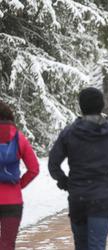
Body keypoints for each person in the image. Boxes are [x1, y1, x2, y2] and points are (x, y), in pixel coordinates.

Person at [48, 87, 108, 250]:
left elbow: (53, 164)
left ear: (81, 106)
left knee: (81, 245)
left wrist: (66, 183)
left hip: (77, 198)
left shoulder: (69, 132)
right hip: (102, 198)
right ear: (101, 105)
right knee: (97, 245)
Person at [0, 101, 39, 250]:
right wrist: (18, 185)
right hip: (12, 201)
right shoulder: (19, 138)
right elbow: (34, 169)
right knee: (7, 245)